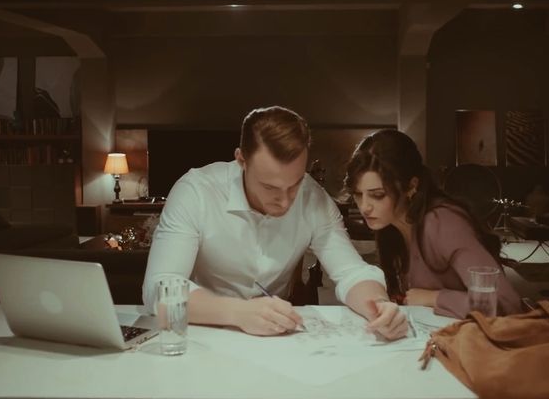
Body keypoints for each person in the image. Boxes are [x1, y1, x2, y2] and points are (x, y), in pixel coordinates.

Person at [143, 106, 407, 339]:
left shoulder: (313, 198)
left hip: (275, 335)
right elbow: (160, 288)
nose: (285, 201)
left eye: (295, 184)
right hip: (204, 328)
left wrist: (379, 305)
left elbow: (351, 272)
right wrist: (238, 313)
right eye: (270, 187)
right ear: (241, 160)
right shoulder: (196, 191)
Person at [343, 129, 523, 318]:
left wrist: (435, 298)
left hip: (472, 341)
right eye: (357, 194)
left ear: (411, 186)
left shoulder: (442, 224)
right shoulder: (390, 226)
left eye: (378, 195)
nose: (364, 207)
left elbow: (507, 303)